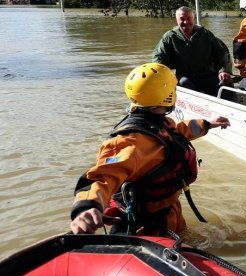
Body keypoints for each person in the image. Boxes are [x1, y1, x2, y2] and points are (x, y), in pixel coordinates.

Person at [70, 62, 230, 235]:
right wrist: (86, 207)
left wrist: (207, 124)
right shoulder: (130, 143)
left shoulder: (158, 123)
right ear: (167, 95)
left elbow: (179, 132)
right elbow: (102, 176)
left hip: (170, 212)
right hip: (146, 227)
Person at [153, 6, 233, 96]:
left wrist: (223, 71)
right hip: (184, 76)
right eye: (182, 19)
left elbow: (221, 52)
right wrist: (160, 74)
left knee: (226, 83)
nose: (186, 22)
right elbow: (159, 57)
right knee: (184, 83)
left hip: (207, 75)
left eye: (188, 18)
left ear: (193, 19)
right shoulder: (170, 36)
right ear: (177, 21)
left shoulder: (206, 34)